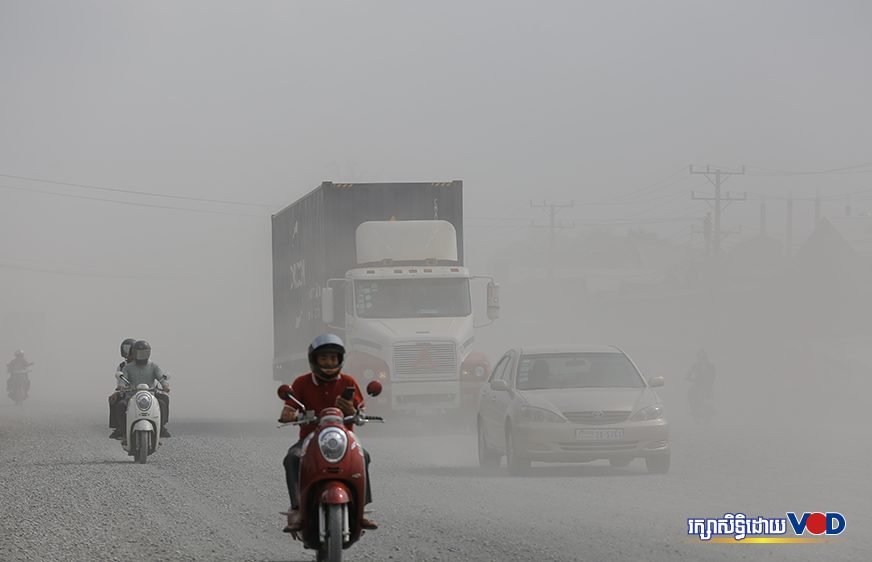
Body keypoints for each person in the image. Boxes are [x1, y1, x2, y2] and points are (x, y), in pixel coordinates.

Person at [280, 334, 377, 532]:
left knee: (363, 456)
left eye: (333, 358)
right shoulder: (301, 382)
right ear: (314, 360)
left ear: (340, 360)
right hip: (310, 438)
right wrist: (290, 414)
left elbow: (361, 411)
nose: (329, 362)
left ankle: (361, 510)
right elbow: (288, 409)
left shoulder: (349, 382)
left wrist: (351, 410)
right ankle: (298, 508)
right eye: (324, 358)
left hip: (344, 437)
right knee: (292, 458)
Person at [118, 340, 171, 442]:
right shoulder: (128, 367)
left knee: (163, 402)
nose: (141, 356)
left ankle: (161, 428)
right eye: (139, 353)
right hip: (132, 396)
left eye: (144, 353)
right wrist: (121, 386)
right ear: (134, 353)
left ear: (149, 353)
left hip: (151, 395)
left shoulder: (154, 366)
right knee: (121, 405)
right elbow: (122, 379)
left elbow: (161, 378)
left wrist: (165, 386)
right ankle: (124, 433)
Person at [109, 338, 137, 439]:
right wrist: (119, 390)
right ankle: (119, 428)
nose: (127, 351)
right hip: (128, 393)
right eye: (125, 348)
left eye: (129, 349)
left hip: (143, 392)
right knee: (114, 400)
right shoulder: (121, 366)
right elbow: (120, 383)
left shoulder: (144, 364)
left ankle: (160, 427)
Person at [685, 349, 717, 420]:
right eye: (700, 358)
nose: (702, 360)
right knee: (690, 393)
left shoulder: (711, 366)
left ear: (706, 358)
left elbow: (714, 375)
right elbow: (690, 372)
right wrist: (688, 377)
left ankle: (712, 409)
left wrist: (709, 382)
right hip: (697, 384)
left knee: (709, 395)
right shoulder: (695, 365)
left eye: (704, 358)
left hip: (707, 384)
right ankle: (693, 408)